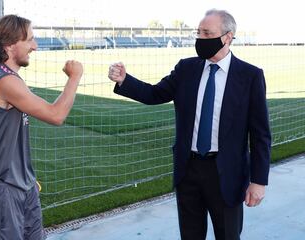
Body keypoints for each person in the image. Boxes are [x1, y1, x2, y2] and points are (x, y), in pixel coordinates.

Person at [108, 9, 271, 240]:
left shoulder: (250, 76)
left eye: (207, 33)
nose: (200, 39)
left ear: (227, 36)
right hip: (188, 170)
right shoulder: (187, 69)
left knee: (228, 235)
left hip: (227, 174)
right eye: (198, 33)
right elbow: (155, 94)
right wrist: (125, 80)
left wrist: (259, 181)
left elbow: (261, 134)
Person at [0, 15, 83, 240]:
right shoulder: (4, 82)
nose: (35, 46)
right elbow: (56, 115)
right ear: (10, 45)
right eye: (30, 40)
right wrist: (75, 77)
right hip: (1, 191)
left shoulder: (10, 79)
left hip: (24, 186)